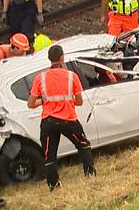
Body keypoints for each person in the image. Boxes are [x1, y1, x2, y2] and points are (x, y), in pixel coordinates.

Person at [27, 45, 96, 191]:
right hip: (68, 120)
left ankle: (53, 185)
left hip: (48, 121)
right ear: (62, 58)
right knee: (83, 145)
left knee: (49, 155)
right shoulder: (72, 76)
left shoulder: (41, 78)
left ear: (49, 59)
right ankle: (90, 175)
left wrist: (45, 101)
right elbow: (79, 101)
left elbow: (31, 104)